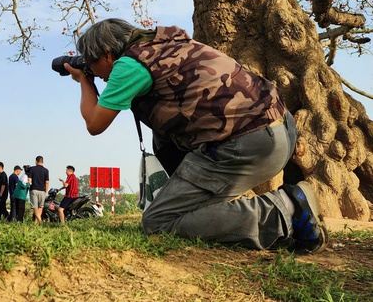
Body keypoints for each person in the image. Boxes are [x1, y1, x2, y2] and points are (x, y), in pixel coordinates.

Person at [64, 18, 325, 252]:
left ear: (108, 56)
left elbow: (94, 124)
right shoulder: (167, 44)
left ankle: (286, 210)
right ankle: (252, 209)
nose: (91, 68)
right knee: (163, 138)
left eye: (91, 61)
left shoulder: (129, 65)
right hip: (281, 130)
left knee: (158, 221)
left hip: (248, 143)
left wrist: (84, 81)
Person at [27, 156, 49, 223]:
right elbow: (47, 182)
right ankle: (36, 223)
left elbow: (29, 180)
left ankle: (40, 221)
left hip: (34, 189)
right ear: (43, 162)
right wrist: (45, 191)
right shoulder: (46, 170)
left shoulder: (32, 169)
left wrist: (29, 188)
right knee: (40, 207)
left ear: (36, 161)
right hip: (42, 190)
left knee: (35, 207)